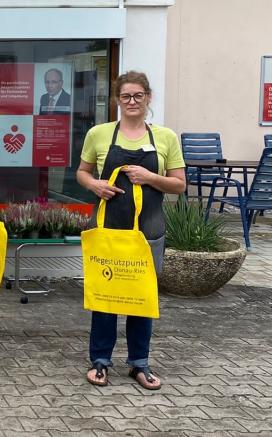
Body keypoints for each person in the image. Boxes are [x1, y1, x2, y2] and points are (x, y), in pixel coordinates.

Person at [76, 70, 185, 390]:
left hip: (148, 231)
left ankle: (139, 363)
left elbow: (179, 185)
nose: (132, 101)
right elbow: (82, 173)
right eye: (126, 96)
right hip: (109, 229)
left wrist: (150, 177)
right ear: (117, 100)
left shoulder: (165, 137)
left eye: (138, 96)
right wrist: (95, 185)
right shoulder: (99, 134)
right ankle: (100, 360)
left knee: (142, 299)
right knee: (105, 298)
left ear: (148, 98)